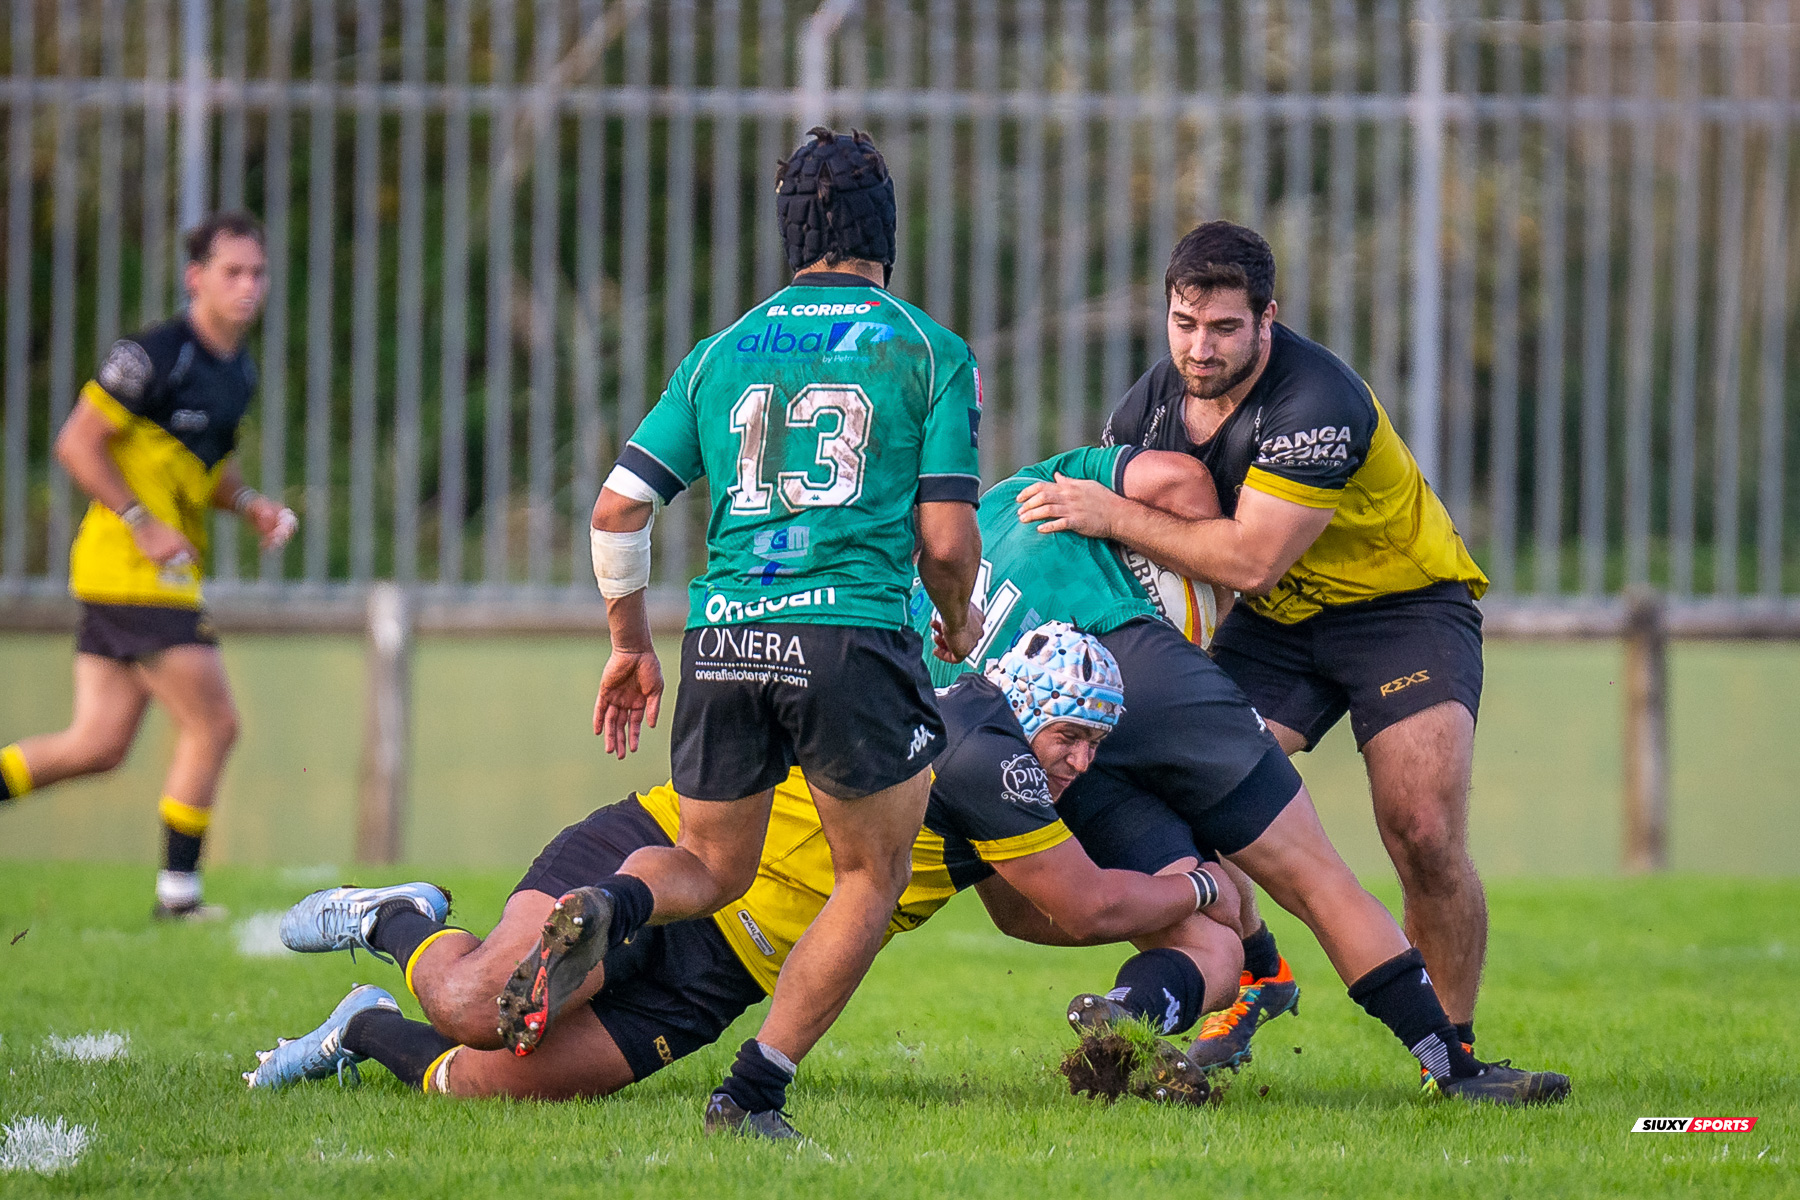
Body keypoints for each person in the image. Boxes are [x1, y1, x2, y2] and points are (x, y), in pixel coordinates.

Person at [250, 627, 1244, 1125]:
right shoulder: (994, 752)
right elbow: (1090, 901)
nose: (1076, 762)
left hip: (726, 971)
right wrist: (1202, 890)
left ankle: (357, 1025)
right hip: (669, 853)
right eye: (1072, 736)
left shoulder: (992, 772)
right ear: (1027, 706)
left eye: (1093, 747)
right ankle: (394, 919)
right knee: (475, 1006)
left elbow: (1031, 916)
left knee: (491, 1084)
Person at [923, 444, 1567, 1104]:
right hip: (1138, 666)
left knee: (1209, 937)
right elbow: (1179, 478)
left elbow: (1021, 916)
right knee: (1311, 876)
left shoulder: (919, 630)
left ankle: (1163, 1004)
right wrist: (1189, 594)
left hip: (1024, 744)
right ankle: (1452, 1068)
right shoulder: (1013, 497)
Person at [576, 127, 984, 1133]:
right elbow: (943, 536)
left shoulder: (720, 353)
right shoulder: (926, 347)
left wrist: (630, 643)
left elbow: (618, 512)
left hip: (725, 633)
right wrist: (958, 617)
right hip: (850, 635)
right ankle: (753, 1092)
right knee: (871, 875)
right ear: (888, 229)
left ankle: (613, 906)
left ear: (787, 233)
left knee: (712, 868)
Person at [1015, 220, 1493, 1072]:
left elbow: (1250, 555)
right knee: (1203, 812)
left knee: (1421, 829)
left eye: (1226, 328)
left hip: (1399, 611)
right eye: (1184, 324)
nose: (1201, 348)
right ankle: (1254, 978)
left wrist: (1107, 508)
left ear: (1268, 318)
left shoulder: (1318, 400)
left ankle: (1449, 1052)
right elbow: (1159, 564)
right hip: (1271, 626)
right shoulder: (1154, 404)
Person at [0, 212, 295, 920]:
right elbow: (77, 443)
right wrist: (142, 522)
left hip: (136, 577)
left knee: (97, 744)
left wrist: (250, 503)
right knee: (215, 724)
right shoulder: (157, 354)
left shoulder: (238, 369)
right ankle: (179, 896)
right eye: (232, 272)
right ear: (196, 278)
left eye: (257, 272)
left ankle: (176, 894)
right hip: (133, 573)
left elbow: (205, 465)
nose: (248, 285)